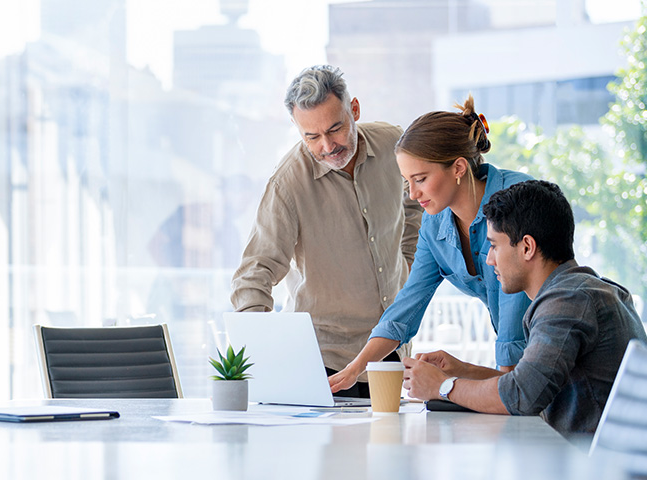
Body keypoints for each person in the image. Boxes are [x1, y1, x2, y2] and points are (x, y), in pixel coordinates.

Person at [230, 65, 423, 398]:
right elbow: (253, 275)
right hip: (325, 362)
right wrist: (266, 358)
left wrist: (406, 262)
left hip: (390, 351)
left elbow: (415, 203)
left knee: (391, 448)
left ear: (355, 110)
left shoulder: (394, 143)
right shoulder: (287, 184)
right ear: (297, 129)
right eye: (312, 136)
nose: (327, 146)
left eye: (335, 129)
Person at [402, 180, 647, 439]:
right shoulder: (582, 289)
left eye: (494, 245)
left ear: (527, 247)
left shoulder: (568, 300)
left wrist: (442, 386)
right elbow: (531, 383)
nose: (489, 259)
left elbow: (522, 395)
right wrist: (461, 371)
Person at [329, 96, 533, 394]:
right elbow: (405, 308)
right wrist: (354, 369)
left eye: (421, 179)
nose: (413, 194)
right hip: (524, 371)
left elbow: (514, 320)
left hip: (558, 352)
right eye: (407, 182)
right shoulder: (435, 225)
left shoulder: (516, 200)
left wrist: (483, 389)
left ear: (459, 168)